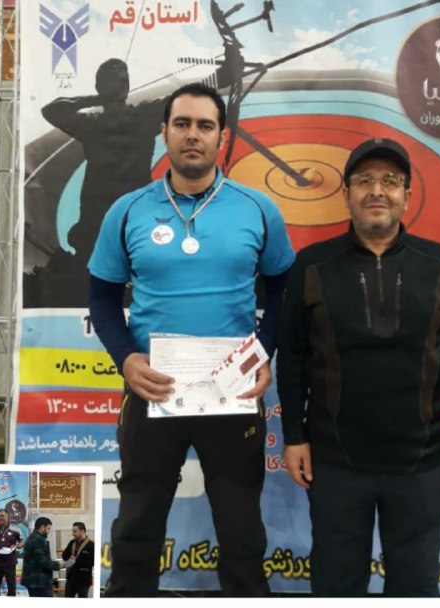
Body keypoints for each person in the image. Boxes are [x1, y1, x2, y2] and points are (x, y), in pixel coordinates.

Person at [89, 82, 295, 597]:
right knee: (137, 522)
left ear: (222, 137)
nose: (193, 135)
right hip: (152, 389)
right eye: (182, 124)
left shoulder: (258, 209)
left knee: (241, 527)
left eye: (205, 125)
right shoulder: (127, 211)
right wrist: (126, 358)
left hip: (233, 390)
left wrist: (263, 351)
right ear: (164, 133)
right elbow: (102, 298)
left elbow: (283, 290)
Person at [276, 138, 440, 597]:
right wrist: (294, 436)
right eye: (364, 180)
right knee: (335, 585)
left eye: (390, 181)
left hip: (422, 462)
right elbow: (291, 357)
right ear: (346, 194)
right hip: (335, 462)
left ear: (406, 196)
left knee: (415, 586)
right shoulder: (312, 266)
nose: (377, 191)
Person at [41, 57, 164, 265]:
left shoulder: (91, 124)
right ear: (126, 87)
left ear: (99, 87)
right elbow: (184, 99)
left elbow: (53, 109)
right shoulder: (144, 117)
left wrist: (98, 99)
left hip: (102, 217)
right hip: (129, 214)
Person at [22, 517, 64, 598]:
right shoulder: (38, 540)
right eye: (48, 528)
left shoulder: (32, 537)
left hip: (34, 581)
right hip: (40, 582)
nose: (49, 531)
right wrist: (59, 564)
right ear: (42, 527)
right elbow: (43, 562)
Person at [0, 509, 23, 596]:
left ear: (7, 516)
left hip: (10, 563)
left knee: (12, 589)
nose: (0, 518)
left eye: (2, 516)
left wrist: (17, 546)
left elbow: (22, 542)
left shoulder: (16, 529)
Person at [61, 522, 95, 598]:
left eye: (75, 531)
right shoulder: (72, 542)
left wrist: (77, 561)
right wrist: (69, 559)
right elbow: (64, 555)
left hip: (83, 579)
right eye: (73, 531)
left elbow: (93, 562)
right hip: (71, 578)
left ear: (82, 531)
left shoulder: (91, 545)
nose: (73, 534)